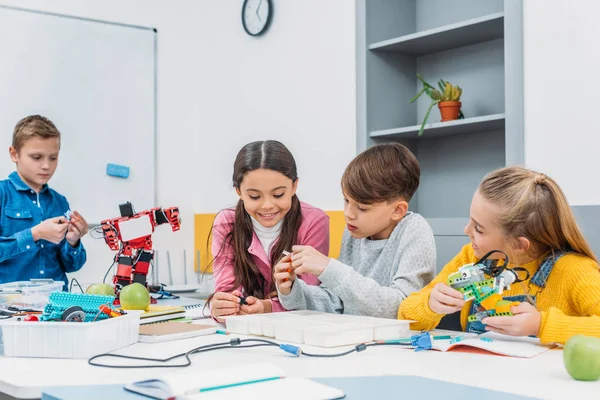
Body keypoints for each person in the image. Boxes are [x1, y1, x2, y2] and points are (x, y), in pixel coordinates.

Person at [399, 166, 600, 345]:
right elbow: (405, 315)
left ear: (519, 245)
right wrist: (430, 305)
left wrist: (541, 325)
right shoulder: (471, 258)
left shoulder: (575, 270)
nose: (466, 230)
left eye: (478, 228)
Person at [275, 142, 436, 319]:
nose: (348, 214)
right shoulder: (355, 231)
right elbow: (337, 303)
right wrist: (292, 289)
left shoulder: (414, 230)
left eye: (362, 208)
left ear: (397, 210)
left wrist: (330, 269)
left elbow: (402, 308)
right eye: (346, 201)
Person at [209, 140, 329, 322]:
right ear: (239, 192)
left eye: (278, 194)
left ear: (294, 186)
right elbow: (227, 289)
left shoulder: (314, 222)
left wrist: (269, 307)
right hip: (246, 330)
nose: (267, 205)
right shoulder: (226, 223)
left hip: (298, 327)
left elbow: (308, 295)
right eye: (254, 196)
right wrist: (223, 307)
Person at [0, 115, 88, 289]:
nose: (46, 166)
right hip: (10, 307)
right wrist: (35, 234)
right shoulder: (3, 194)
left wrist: (73, 241)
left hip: (55, 303)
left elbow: (73, 265)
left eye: (53, 158)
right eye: (37, 157)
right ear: (14, 154)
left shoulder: (60, 202)